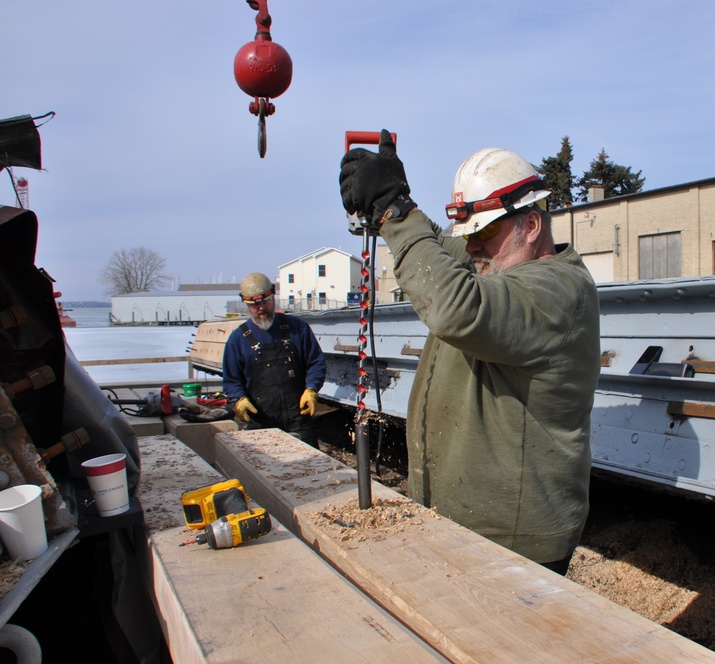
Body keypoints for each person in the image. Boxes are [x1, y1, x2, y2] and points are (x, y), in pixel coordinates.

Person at [339, 130, 601, 575]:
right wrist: (400, 207)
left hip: (513, 538)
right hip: (468, 524)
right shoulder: (501, 262)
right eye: (469, 232)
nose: (472, 244)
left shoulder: (557, 289)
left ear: (531, 225)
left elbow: (457, 308)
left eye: (484, 231)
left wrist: (395, 212)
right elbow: (444, 248)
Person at [222, 272, 327, 448]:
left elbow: (316, 362)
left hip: (298, 418)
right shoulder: (238, 339)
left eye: (266, 301)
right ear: (246, 304)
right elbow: (231, 380)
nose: (261, 307)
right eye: (255, 305)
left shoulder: (297, 328)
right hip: (261, 421)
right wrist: (239, 399)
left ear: (274, 296)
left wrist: (311, 389)